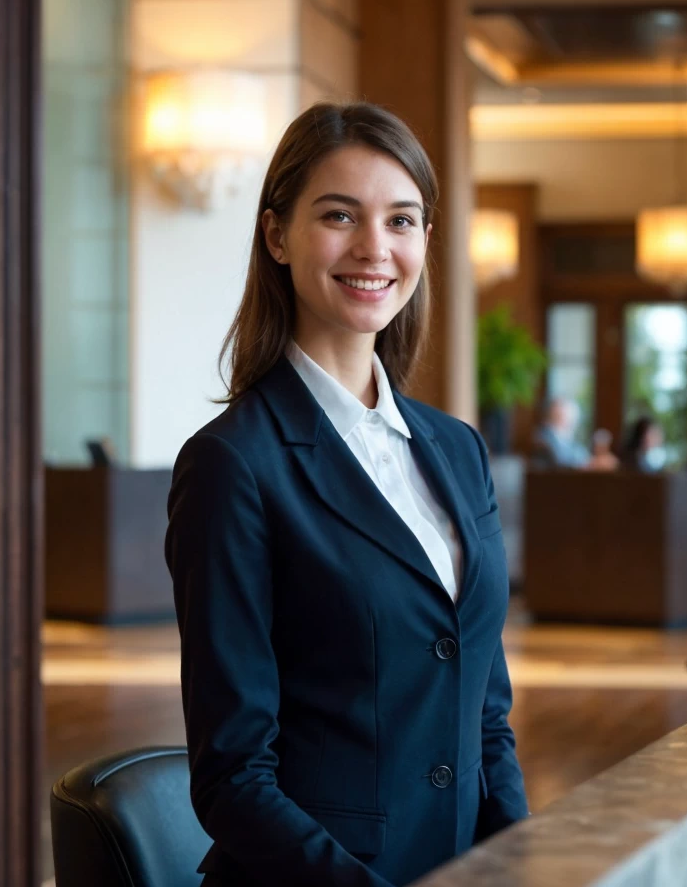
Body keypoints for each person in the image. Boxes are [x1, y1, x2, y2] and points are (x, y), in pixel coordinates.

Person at [164, 102, 529, 887]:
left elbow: (485, 719)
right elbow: (233, 777)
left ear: (425, 242)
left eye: (402, 220)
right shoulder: (233, 466)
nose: (375, 248)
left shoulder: (459, 451)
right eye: (339, 215)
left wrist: (520, 862)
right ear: (277, 236)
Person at [531, 397, 591, 468]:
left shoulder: (565, 438)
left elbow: (582, 455)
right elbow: (559, 462)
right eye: (572, 417)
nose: (575, 423)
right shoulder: (543, 438)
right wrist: (588, 463)